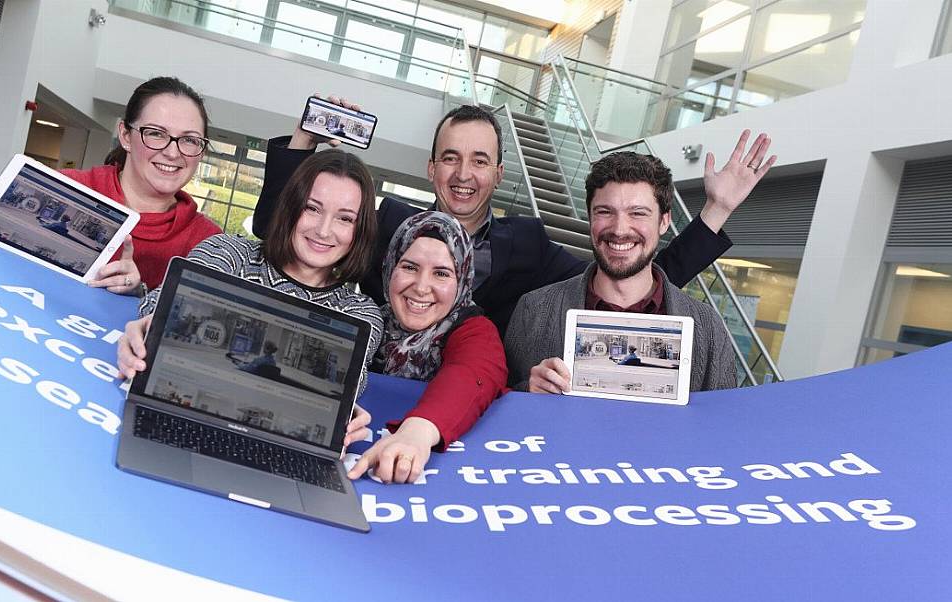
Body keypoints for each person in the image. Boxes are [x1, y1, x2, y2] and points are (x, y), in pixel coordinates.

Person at [253, 96, 775, 334]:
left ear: (499, 174)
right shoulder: (387, 221)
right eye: (451, 158)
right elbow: (284, 234)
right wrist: (304, 142)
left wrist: (715, 211)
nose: (464, 174)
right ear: (431, 169)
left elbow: (625, 279)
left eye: (480, 160)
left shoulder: (526, 243)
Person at [116, 149, 383, 446]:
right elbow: (163, 303)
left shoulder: (360, 312)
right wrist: (148, 327)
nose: (323, 230)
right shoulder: (228, 253)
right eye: (312, 208)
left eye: (345, 218)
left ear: (360, 231)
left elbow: (351, 380)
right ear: (291, 207)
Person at [504, 151, 739, 394]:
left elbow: (723, 421)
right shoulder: (533, 310)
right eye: (605, 211)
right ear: (590, 217)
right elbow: (500, 405)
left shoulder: (707, 327)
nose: (619, 229)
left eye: (638, 213)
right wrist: (526, 392)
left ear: (664, 221)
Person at [347, 212, 507, 484]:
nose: (421, 287)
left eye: (442, 273)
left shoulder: (474, 329)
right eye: (409, 267)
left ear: (463, 281)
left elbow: (472, 373)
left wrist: (416, 434)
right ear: (389, 268)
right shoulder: (364, 319)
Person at [61, 76, 222, 296]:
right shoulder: (67, 188)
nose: (172, 153)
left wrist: (141, 295)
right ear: (126, 136)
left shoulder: (209, 244)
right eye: (156, 133)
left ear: (201, 152)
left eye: (190, 140)